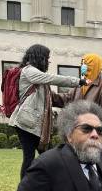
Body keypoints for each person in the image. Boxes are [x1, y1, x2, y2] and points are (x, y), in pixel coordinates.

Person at [9, 44, 85, 179]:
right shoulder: (29, 71)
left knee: (46, 156)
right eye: (47, 58)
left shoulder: (36, 75)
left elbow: (49, 97)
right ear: (40, 57)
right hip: (27, 123)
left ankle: (42, 186)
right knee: (31, 157)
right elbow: (52, 78)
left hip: (34, 124)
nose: (48, 61)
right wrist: (78, 81)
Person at [60, 53, 102, 148]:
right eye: (83, 64)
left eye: (89, 65)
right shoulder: (80, 85)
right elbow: (65, 99)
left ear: (97, 67)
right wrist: (47, 91)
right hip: (77, 135)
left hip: (93, 137)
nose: (84, 67)